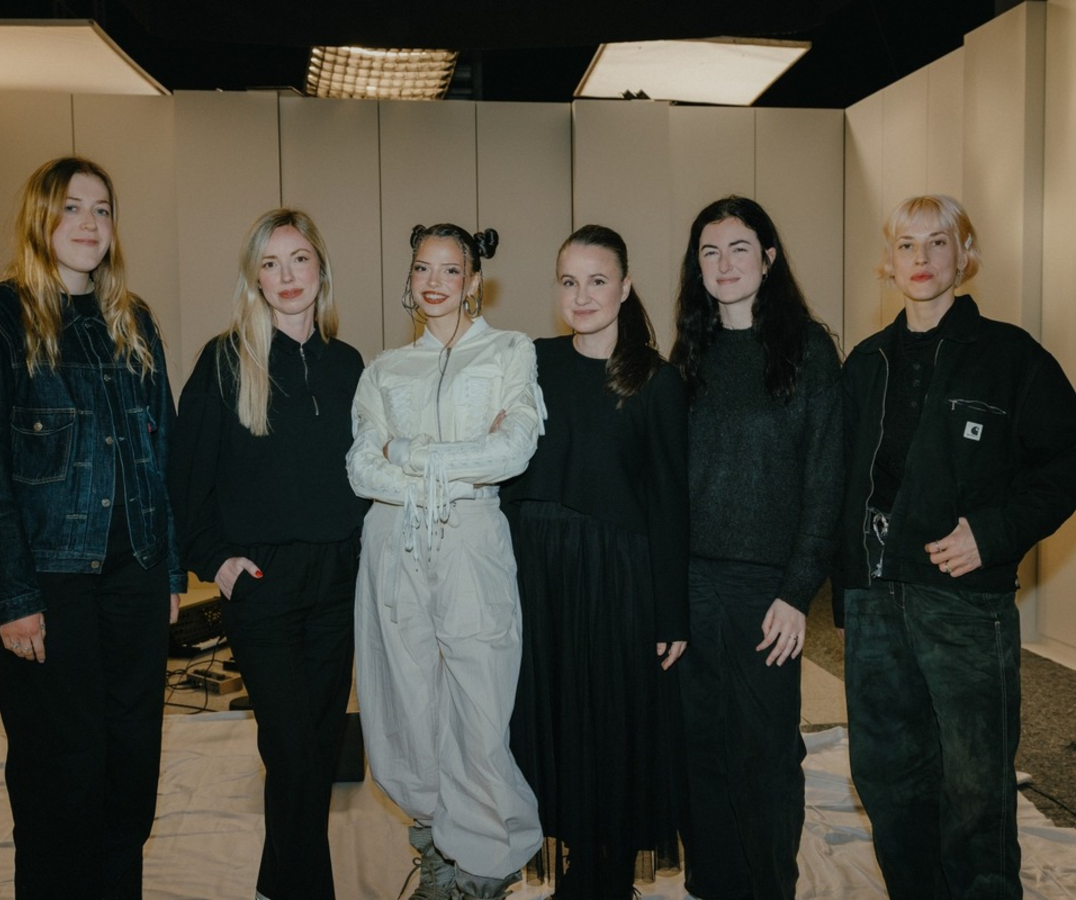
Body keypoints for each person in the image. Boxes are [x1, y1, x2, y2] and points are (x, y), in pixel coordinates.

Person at [836, 194, 1076, 899]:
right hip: (874, 598)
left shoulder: (1010, 356)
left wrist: (993, 532)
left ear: (964, 256)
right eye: (906, 245)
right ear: (888, 263)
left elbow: (1070, 455)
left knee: (975, 783)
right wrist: (843, 583)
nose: (921, 258)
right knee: (887, 775)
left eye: (938, 242)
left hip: (964, 604)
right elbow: (837, 479)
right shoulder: (865, 363)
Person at [0, 156, 184, 899]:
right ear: (40, 219)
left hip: (134, 576)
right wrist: (11, 597)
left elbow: (161, 459)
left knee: (130, 765)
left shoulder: (133, 321)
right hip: (49, 584)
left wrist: (171, 572)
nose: (89, 223)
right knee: (60, 772)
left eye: (102, 209)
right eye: (72, 207)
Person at [169, 208, 367, 900]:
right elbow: (186, 479)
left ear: (321, 270)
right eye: (271, 264)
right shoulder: (225, 361)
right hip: (263, 586)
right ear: (255, 278)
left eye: (299, 260)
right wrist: (215, 560)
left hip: (337, 585)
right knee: (291, 753)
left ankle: (274, 884)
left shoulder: (347, 365)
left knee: (314, 751)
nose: (287, 276)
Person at [346, 223, 544, 900]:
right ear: (409, 279)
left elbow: (512, 451)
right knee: (403, 699)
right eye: (422, 269)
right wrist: (452, 465)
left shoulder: (509, 352)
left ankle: (485, 862)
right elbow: (360, 469)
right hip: (392, 540)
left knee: (481, 699)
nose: (434, 283)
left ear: (473, 281)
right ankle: (436, 844)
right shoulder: (383, 370)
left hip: (471, 539)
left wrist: (407, 454)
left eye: (450, 270)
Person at [504, 224, 688, 899]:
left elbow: (670, 502)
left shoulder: (655, 380)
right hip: (538, 572)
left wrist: (672, 613)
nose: (582, 296)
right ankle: (577, 862)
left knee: (609, 720)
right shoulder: (530, 361)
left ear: (625, 287)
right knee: (551, 717)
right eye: (569, 281)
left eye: (598, 281)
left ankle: (607, 875)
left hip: (615, 577)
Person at [669, 196, 843, 900]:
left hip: (767, 590)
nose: (724, 264)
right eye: (709, 252)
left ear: (768, 259)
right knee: (698, 748)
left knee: (763, 753)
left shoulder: (808, 351)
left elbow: (826, 480)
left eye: (739, 248)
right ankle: (712, 884)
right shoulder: (690, 354)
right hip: (691, 584)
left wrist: (797, 593)